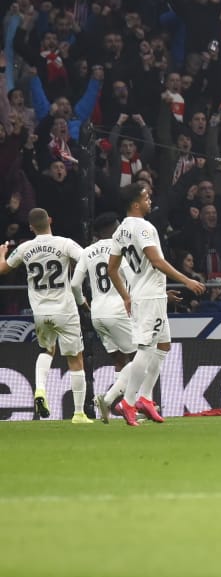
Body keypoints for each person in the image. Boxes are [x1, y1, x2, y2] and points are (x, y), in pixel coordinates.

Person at [97, 183, 206, 427]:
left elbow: (112, 269)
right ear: (136, 204)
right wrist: (187, 280)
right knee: (146, 349)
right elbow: (156, 261)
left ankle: (145, 398)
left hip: (145, 294)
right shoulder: (144, 227)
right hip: (149, 298)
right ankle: (128, 402)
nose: (150, 200)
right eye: (146, 197)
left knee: (163, 345)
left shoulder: (120, 230)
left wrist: (126, 296)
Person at [0, 207, 89, 422]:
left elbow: (3, 269)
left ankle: (40, 389)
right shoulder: (64, 244)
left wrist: (2, 253)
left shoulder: (24, 248)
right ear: (50, 220)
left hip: (40, 311)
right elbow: (86, 259)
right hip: (65, 310)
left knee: (47, 349)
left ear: (31, 227)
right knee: (75, 359)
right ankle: (78, 412)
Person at [71, 214, 138, 400]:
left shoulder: (87, 251)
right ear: (113, 229)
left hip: (98, 313)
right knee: (141, 357)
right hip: (119, 310)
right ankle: (124, 401)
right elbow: (132, 279)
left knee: (120, 360)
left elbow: (75, 284)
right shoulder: (121, 249)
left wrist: (82, 302)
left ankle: (120, 405)